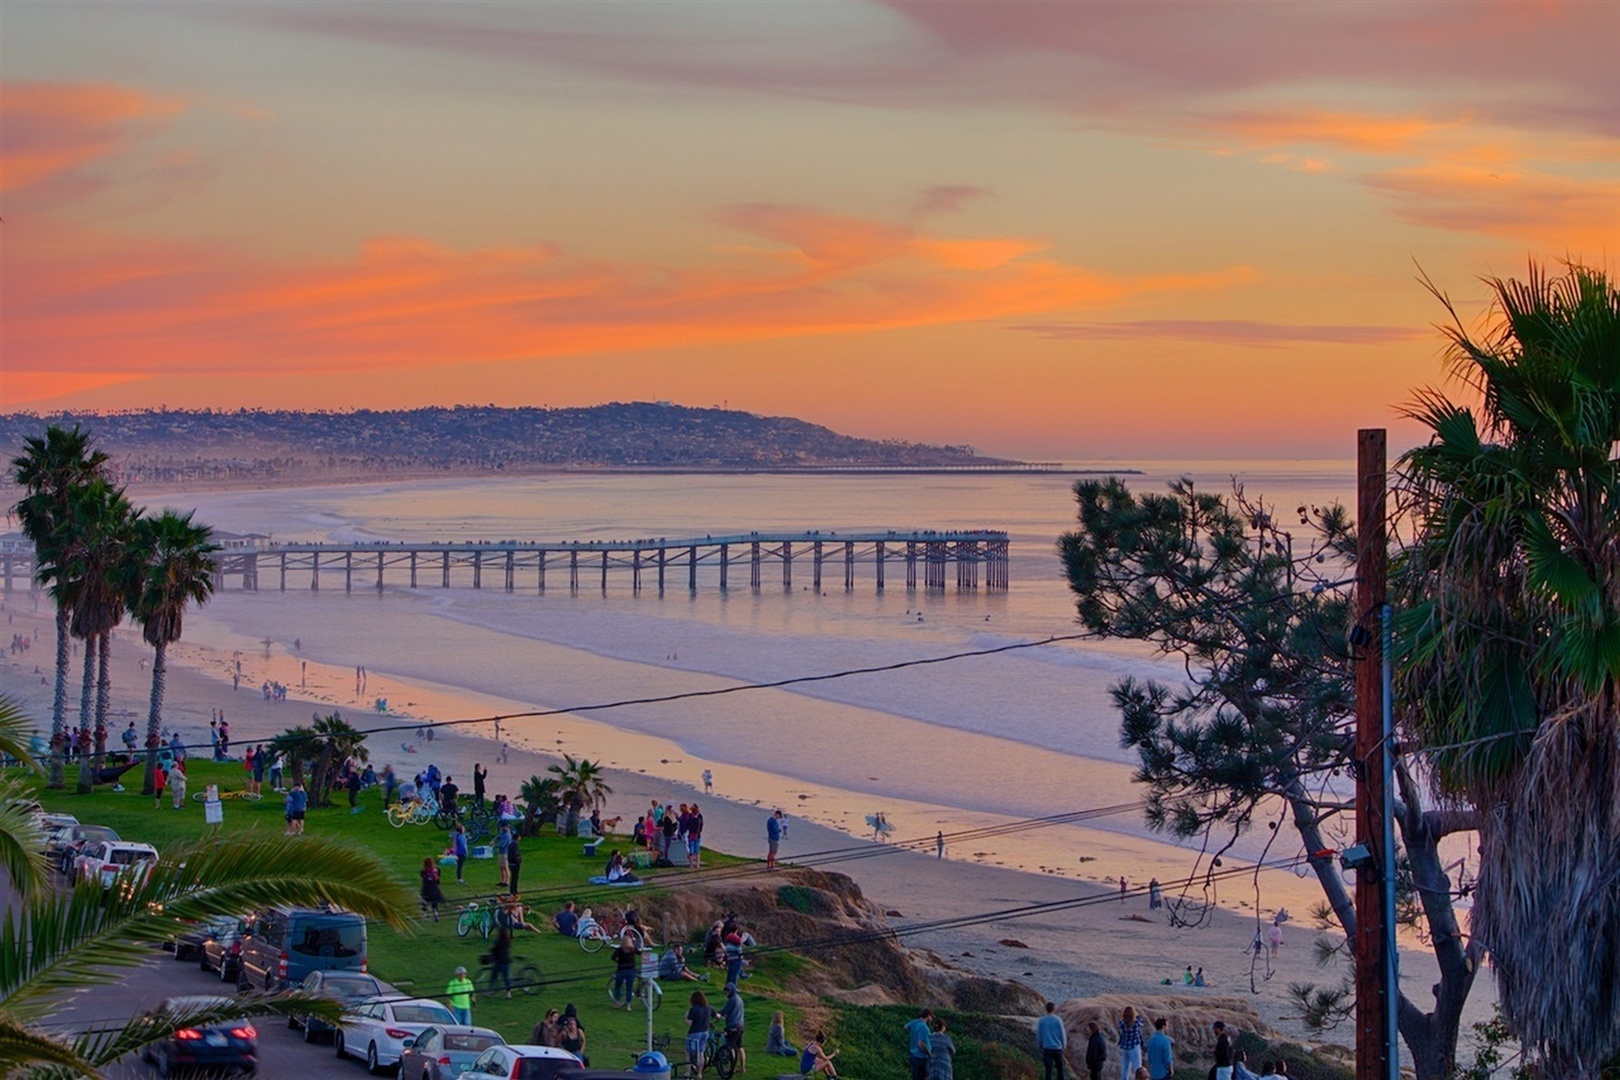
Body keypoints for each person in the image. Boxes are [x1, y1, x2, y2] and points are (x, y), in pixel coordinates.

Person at [1036, 1001, 1067, 1080]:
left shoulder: (1042, 1020)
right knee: (1060, 1071)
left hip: (1047, 1049)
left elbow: (1039, 1035)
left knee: (1048, 1071)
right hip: (1057, 1049)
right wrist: (1063, 1046)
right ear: (1054, 1009)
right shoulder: (1058, 1020)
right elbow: (1062, 1035)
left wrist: (1040, 1046)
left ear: (1046, 1009)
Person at [684, 989, 714, 1071]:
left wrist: (686, 1017)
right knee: (701, 1052)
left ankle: (688, 1072)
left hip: (694, 1033)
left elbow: (689, 1023)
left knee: (689, 1053)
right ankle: (699, 1073)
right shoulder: (708, 1007)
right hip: (705, 1032)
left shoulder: (693, 1009)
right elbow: (716, 1015)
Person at [720, 982, 746, 1074]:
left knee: (730, 1047)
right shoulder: (739, 999)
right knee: (740, 1047)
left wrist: (717, 1014)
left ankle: (731, 1068)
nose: (726, 993)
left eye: (727, 991)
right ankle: (742, 1067)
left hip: (733, 1027)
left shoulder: (732, 1000)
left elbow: (725, 1011)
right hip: (741, 1025)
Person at [1116, 1007, 1146, 1080]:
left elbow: (1119, 1024)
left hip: (1125, 1047)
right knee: (1137, 1067)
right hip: (1134, 1047)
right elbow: (1142, 1024)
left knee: (1125, 1067)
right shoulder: (1135, 1023)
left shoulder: (1122, 1023)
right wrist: (1137, 1015)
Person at [610, 936, 639, 1010]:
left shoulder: (619, 950)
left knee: (618, 986)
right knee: (629, 988)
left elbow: (613, 957)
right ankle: (628, 1005)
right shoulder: (632, 949)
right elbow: (640, 952)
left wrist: (618, 960)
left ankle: (617, 1002)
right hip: (631, 971)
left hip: (621, 970)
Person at [905, 1008, 934, 1080]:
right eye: (931, 1017)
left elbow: (905, 1027)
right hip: (920, 1057)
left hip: (913, 1053)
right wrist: (929, 1053)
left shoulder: (915, 1022)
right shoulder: (924, 1027)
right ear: (928, 1016)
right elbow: (920, 1044)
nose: (932, 1019)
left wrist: (913, 1033)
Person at [487, 922, 513, 998]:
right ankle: (508, 992)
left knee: (494, 976)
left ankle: (490, 990)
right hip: (506, 961)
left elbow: (495, 950)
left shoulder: (499, 942)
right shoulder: (507, 941)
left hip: (499, 962)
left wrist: (491, 952)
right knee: (506, 978)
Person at [419, 857, 445, 921]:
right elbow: (438, 881)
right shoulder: (437, 870)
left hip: (426, 888)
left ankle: (425, 914)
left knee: (425, 901)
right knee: (434, 901)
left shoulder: (423, 871)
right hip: (434, 887)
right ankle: (436, 914)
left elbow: (423, 880)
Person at [686, 803, 704, 868]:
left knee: (694, 849)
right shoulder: (694, 816)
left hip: (694, 834)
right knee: (694, 849)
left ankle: (695, 864)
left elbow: (688, 825)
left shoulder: (696, 816)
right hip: (694, 834)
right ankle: (695, 864)